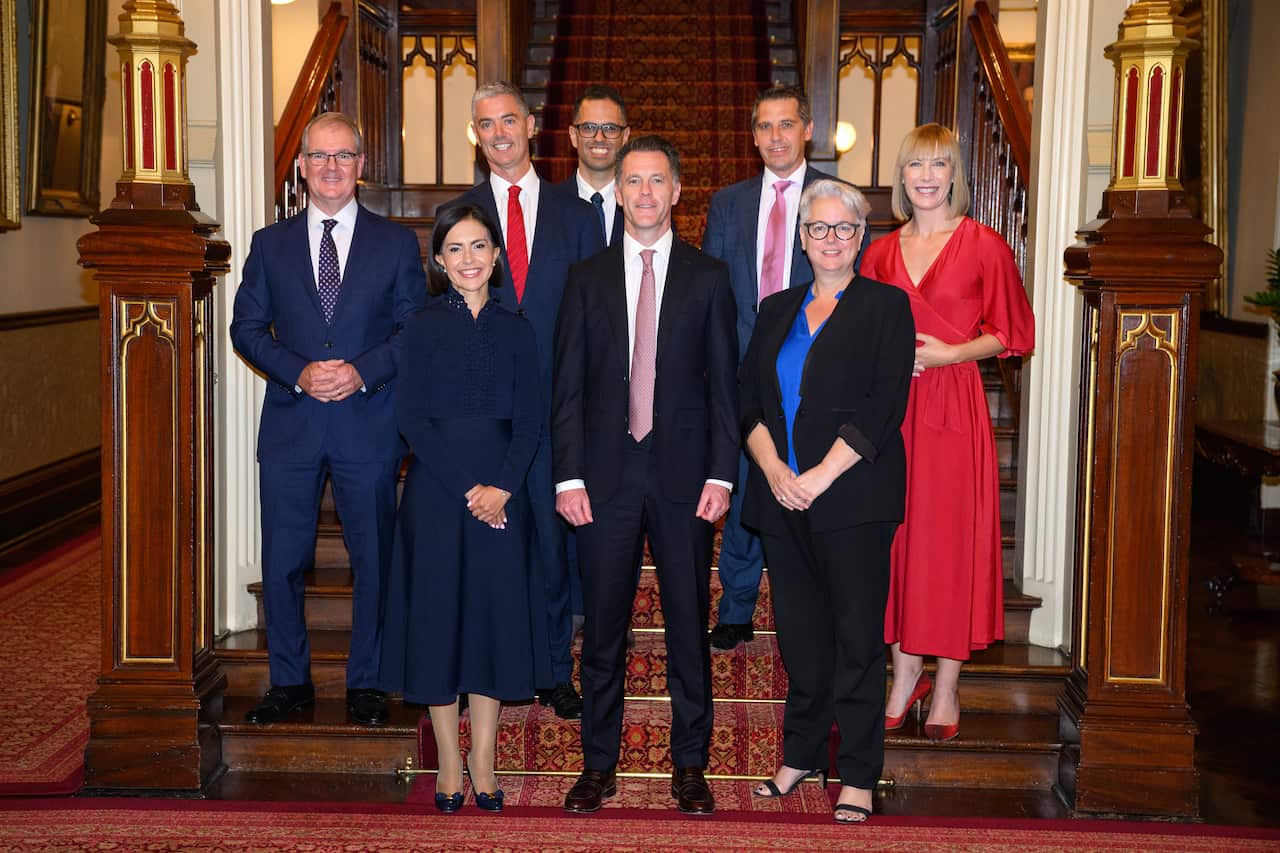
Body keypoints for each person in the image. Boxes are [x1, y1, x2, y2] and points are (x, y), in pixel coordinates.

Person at [553, 135, 738, 815]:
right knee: (602, 630)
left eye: (658, 180)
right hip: (603, 478)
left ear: (677, 191)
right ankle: (597, 763)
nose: (645, 193)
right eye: (633, 181)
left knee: (688, 626)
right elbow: (566, 388)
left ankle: (690, 764)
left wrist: (724, 471)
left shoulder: (708, 276)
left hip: (686, 476)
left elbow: (725, 386)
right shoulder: (586, 276)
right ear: (618, 190)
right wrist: (566, 477)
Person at [230, 112, 426, 727]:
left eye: (343, 156)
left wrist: (362, 371)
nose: (331, 167)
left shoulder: (395, 243)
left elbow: (413, 329)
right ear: (302, 167)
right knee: (284, 561)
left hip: (369, 423)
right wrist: (298, 371)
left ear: (361, 166)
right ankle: (289, 682)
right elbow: (246, 328)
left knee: (374, 557)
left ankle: (368, 682)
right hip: (292, 424)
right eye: (319, 156)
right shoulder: (271, 244)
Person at [739, 178, 914, 824]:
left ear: (861, 237)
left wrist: (816, 476)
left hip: (853, 502)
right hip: (781, 497)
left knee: (857, 639)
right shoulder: (776, 309)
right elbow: (747, 399)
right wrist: (775, 469)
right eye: (820, 228)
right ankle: (802, 753)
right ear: (803, 239)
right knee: (802, 638)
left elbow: (882, 407)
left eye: (845, 228)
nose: (832, 239)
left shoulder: (885, 309)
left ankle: (860, 772)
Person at [860, 123, 1035, 742]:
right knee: (900, 539)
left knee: (949, 545)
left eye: (939, 165)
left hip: (954, 409)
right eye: (915, 166)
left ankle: (949, 684)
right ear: (901, 178)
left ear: (955, 174)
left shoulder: (984, 245)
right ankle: (904, 675)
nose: (927, 176)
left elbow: (1015, 334)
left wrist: (953, 354)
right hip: (894, 412)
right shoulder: (879, 253)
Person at [442, 82, 606, 721]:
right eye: (486, 124)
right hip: (484, 415)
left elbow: (599, 313)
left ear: (533, 124)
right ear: (475, 134)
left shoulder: (579, 214)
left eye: (510, 119)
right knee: (492, 546)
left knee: (552, 546)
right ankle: (492, 665)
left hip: (561, 409)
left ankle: (551, 668)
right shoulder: (461, 214)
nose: (500, 132)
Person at [380, 204, 544, 814]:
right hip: (437, 498)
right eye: (456, 248)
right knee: (438, 622)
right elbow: (411, 420)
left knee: (492, 622)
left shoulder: (518, 328)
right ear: (440, 261)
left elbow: (531, 422)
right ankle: (449, 756)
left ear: (497, 256)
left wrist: (500, 487)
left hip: (505, 496)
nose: (469, 259)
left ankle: (485, 758)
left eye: (480, 247)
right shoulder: (420, 328)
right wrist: (467, 490)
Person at [700, 85, 867, 650]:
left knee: (809, 474)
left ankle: (817, 599)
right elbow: (712, 291)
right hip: (744, 361)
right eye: (765, 126)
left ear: (807, 129)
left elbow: (851, 281)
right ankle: (737, 605)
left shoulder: (835, 199)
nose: (776, 136)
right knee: (751, 478)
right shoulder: (728, 203)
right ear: (753, 135)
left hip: (812, 365)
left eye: (786, 125)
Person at [557, 85, 630, 247]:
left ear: (625, 137)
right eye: (589, 127)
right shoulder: (548, 206)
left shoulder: (643, 204)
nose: (599, 137)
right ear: (573, 136)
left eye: (610, 128)